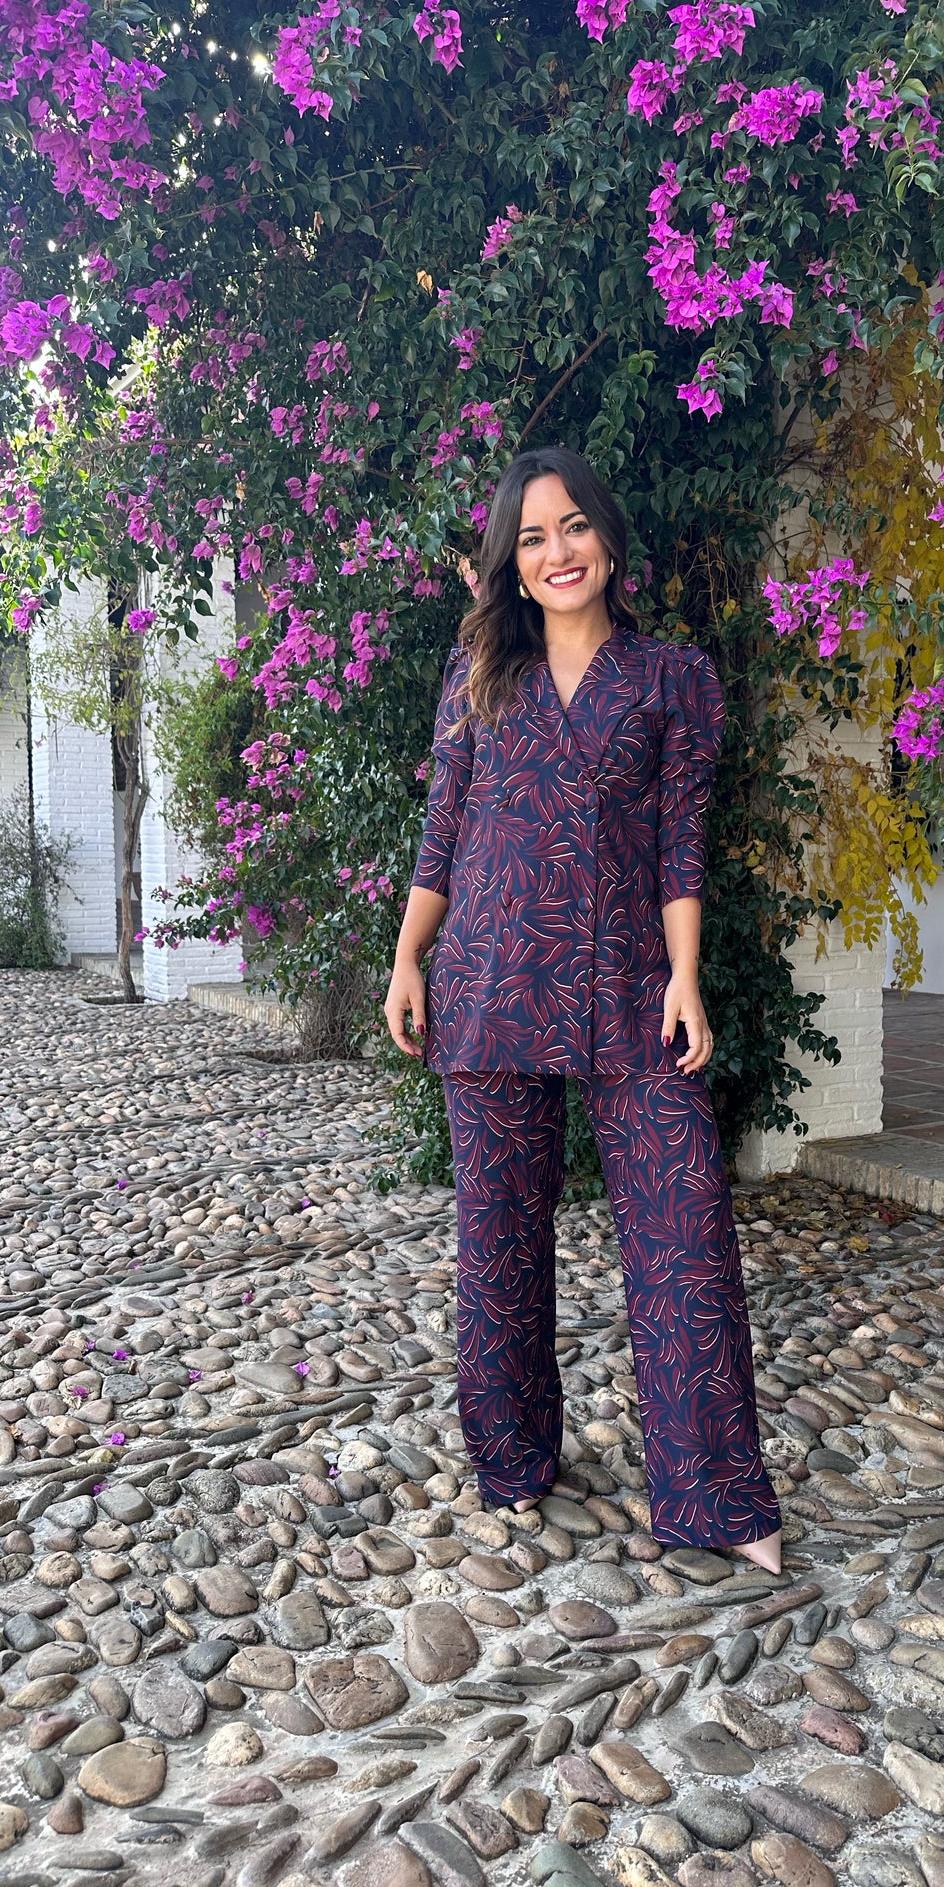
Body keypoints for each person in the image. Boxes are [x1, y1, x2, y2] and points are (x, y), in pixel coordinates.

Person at [385, 445, 783, 1575]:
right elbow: (444, 829)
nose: (556, 552)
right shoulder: (479, 673)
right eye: (532, 537)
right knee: (498, 1242)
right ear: (509, 562)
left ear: (607, 536)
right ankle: (512, 1458)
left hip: (630, 985)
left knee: (686, 1234)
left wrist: (686, 975)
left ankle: (719, 1497)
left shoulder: (670, 677)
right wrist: (408, 957)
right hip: (491, 979)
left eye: (572, 527)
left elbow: (681, 844)